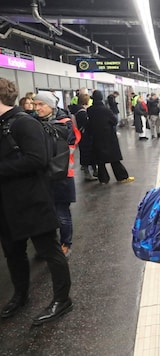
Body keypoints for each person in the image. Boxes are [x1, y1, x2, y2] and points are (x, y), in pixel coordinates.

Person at [0, 78, 73, 324]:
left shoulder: (24, 123)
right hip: (7, 203)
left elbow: (36, 160)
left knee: (49, 250)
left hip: (31, 199)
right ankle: (20, 296)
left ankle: (62, 299)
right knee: (13, 252)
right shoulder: (4, 124)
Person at [33, 91, 81, 258]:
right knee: (46, 213)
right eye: (35, 104)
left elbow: (69, 142)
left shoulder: (64, 124)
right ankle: (50, 246)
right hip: (42, 176)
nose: (37, 108)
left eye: (41, 105)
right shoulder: (34, 123)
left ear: (51, 106)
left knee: (61, 213)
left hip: (62, 175)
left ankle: (65, 243)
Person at [87, 90, 135, 184]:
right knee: (114, 159)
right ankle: (122, 177)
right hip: (108, 137)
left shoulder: (90, 110)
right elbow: (114, 121)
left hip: (96, 138)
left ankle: (103, 180)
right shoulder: (106, 109)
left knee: (100, 161)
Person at [75, 93, 98, 181]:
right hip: (86, 135)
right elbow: (87, 124)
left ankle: (92, 170)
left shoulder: (77, 110)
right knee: (87, 153)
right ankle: (88, 173)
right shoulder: (82, 112)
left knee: (86, 153)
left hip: (81, 135)